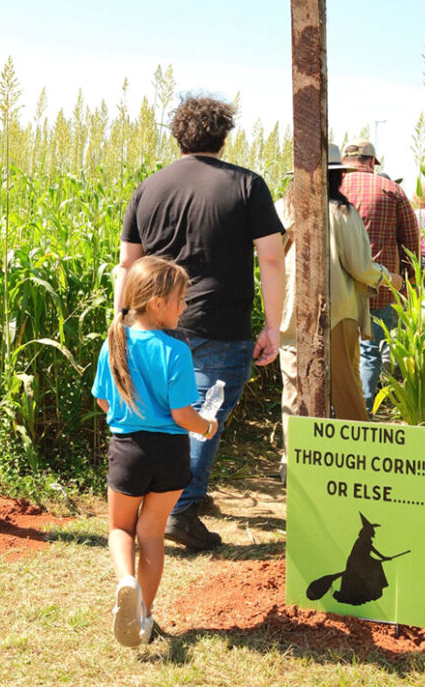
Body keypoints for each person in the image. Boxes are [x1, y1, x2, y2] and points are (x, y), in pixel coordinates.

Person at [114, 96, 285, 551]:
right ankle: (181, 507)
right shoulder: (247, 185)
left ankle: (166, 497)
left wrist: (123, 321)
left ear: (178, 136)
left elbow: (127, 263)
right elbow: (270, 257)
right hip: (220, 321)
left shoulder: (148, 187)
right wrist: (273, 326)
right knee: (204, 411)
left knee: (163, 409)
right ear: (224, 137)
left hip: (150, 320)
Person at [92, 256, 219, 646]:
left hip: (129, 450)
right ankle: (143, 615)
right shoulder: (176, 351)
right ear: (157, 303)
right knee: (151, 535)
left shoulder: (113, 343)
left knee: (119, 528)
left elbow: (103, 402)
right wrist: (207, 426)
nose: (185, 307)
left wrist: (128, 414)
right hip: (171, 455)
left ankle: (125, 581)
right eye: (181, 299)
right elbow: (183, 415)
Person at [278, 145, 403, 477]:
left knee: (295, 391)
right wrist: (389, 278)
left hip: (290, 316)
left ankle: (295, 467)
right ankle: (357, 462)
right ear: (337, 176)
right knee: (344, 387)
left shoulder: (282, 210)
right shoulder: (342, 213)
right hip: (336, 314)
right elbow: (359, 267)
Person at [341, 140, 420, 413]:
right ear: (373, 162)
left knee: (335, 354)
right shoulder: (392, 189)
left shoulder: (332, 187)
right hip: (381, 288)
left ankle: (331, 414)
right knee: (370, 353)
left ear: (345, 160)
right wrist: (412, 282)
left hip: (335, 287)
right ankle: (362, 412)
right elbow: (411, 241)